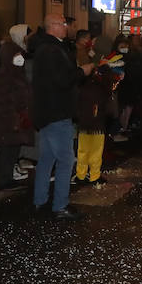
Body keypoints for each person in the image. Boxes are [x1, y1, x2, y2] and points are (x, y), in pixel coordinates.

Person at [27, 13, 94, 218]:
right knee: (65, 160)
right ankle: (60, 205)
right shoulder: (52, 49)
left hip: (48, 112)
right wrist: (82, 71)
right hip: (57, 112)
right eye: (63, 23)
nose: (66, 26)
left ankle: (39, 200)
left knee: (47, 158)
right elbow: (62, 80)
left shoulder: (46, 47)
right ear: (53, 26)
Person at [0, 24, 34, 190]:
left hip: (13, 116)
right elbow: (13, 96)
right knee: (9, 149)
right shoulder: (9, 73)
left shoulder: (13, 71)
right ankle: (5, 179)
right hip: (10, 117)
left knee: (12, 149)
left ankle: (7, 177)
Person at [75, 58, 119, 188]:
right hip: (97, 126)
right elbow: (109, 109)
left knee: (82, 150)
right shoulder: (103, 88)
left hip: (83, 125)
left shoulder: (84, 86)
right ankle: (94, 176)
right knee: (96, 152)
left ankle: (81, 174)